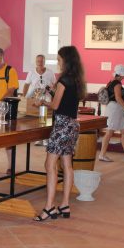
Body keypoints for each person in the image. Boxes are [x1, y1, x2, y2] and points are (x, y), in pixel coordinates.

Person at [33, 46, 86, 222]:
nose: (58, 62)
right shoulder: (77, 79)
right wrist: (52, 90)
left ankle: (49, 207)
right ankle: (64, 204)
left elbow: (55, 105)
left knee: (50, 164)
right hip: (72, 125)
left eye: (59, 59)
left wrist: (42, 102)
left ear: (66, 60)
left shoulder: (63, 79)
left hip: (62, 125)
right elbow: (65, 100)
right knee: (67, 164)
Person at [98, 65, 124, 162]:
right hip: (115, 109)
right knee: (109, 132)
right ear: (121, 75)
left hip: (115, 109)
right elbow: (118, 98)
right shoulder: (117, 83)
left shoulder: (112, 82)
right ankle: (102, 155)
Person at [22, 54, 56, 146]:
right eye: (38, 61)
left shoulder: (50, 72)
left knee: (45, 119)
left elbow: (54, 86)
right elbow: (26, 85)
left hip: (46, 99)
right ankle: (38, 138)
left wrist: (53, 97)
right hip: (35, 98)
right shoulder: (31, 72)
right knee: (37, 119)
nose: (40, 63)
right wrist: (24, 97)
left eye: (42, 61)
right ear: (36, 62)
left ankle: (45, 139)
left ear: (44, 62)